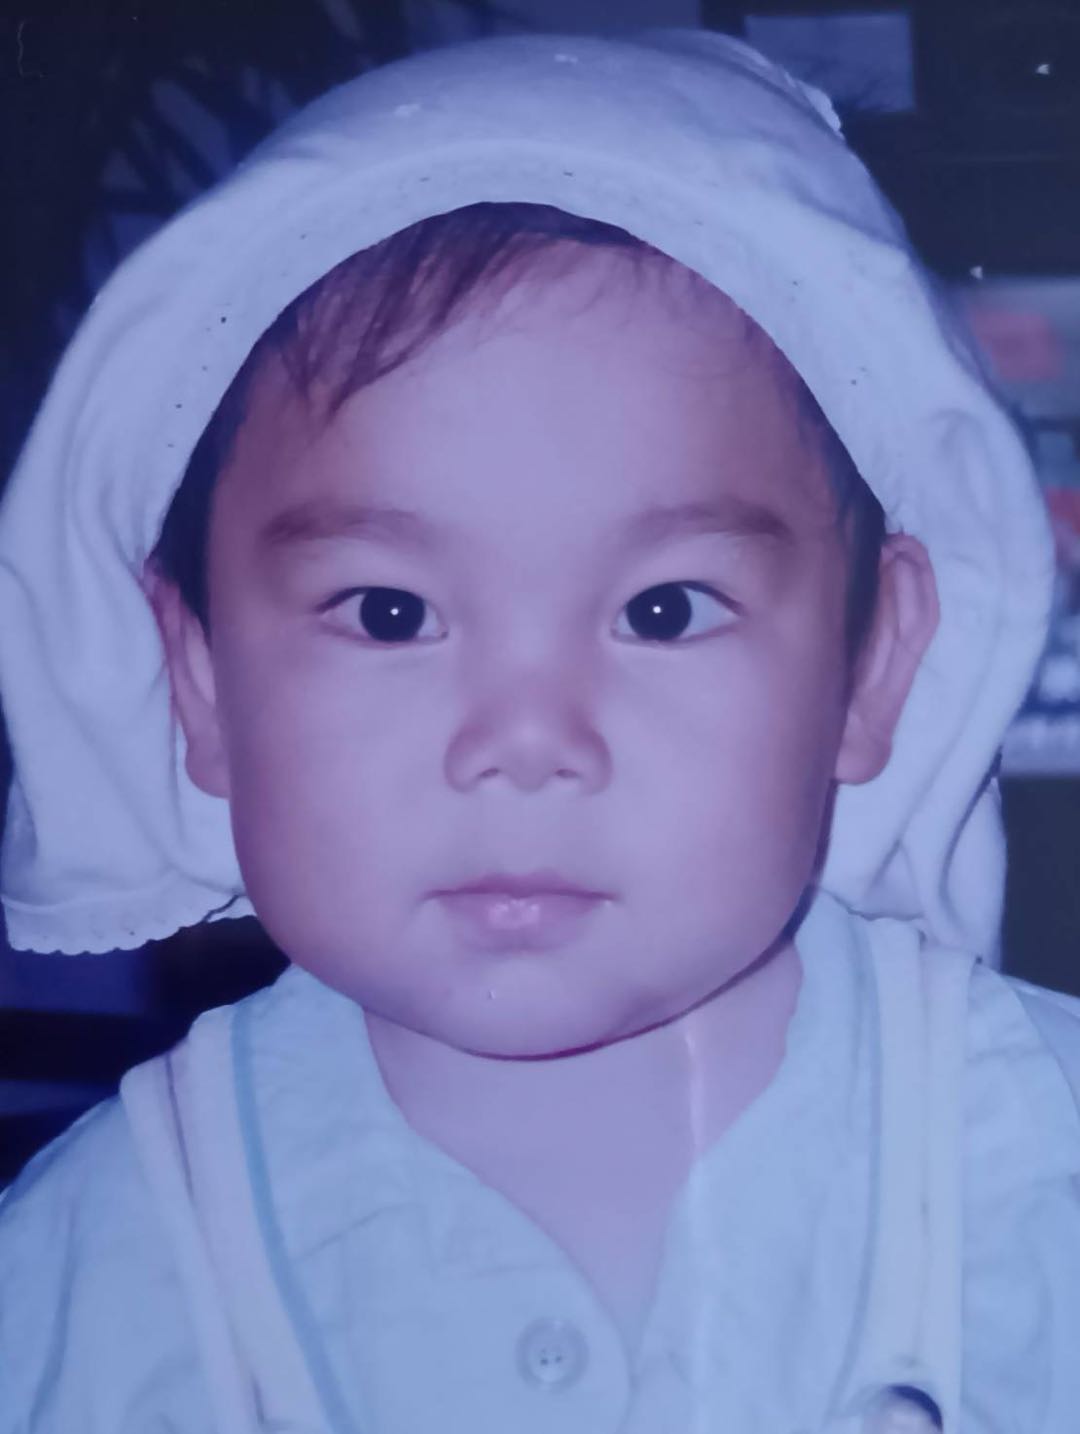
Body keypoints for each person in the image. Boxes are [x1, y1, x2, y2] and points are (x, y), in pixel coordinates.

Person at [1, 28, 1079, 1434]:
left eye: (663, 611)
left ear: (869, 668)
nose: (523, 741)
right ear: (197, 682)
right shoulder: (84, 1283)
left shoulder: (1037, 1163)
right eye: (390, 613)